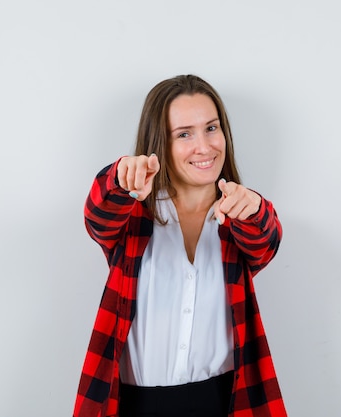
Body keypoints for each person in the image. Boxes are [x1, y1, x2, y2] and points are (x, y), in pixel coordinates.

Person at [73, 75, 287, 417]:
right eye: (184, 134)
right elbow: (98, 214)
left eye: (211, 128)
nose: (204, 146)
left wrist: (255, 209)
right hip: (135, 405)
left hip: (224, 401)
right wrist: (120, 176)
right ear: (160, 143)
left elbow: (266, 239)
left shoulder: (239, 216)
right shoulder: (134, 219)